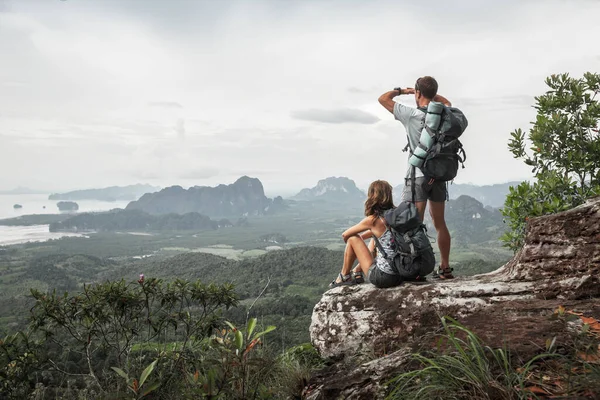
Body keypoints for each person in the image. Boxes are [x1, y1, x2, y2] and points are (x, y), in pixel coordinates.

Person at [377, 76, 454, 279]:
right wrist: (428, 93)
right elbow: (447, 102)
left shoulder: (411, 115)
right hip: (438, 176)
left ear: (418, 93)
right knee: (440, 223)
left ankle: (416, 269)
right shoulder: (443, 113)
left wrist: (405, 91)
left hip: (418, 176)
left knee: (413, 223)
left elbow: (383, 98)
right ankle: (445, 267)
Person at [329, 180, 404, 289]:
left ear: (372, 196)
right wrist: (364, 238)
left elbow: (345, 235)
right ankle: (357, 271)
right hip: (402, 273)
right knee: (375, 239)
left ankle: (344, 276)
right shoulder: (397, 214)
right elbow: (381, 232)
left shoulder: (373, 220)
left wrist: (356, 243)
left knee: (353, 239)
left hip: (384, 277)